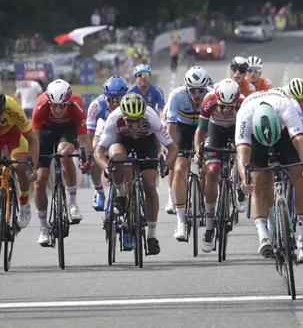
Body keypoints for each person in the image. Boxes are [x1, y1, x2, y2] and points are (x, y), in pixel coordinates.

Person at [235, 90, 303, 262]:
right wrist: (245, 178)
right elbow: (242, 155)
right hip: (257, 138)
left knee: (300, 176)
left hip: (284, 133)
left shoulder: (286, 108)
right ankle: (263, 235)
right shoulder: (244, 116)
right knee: (257, 182)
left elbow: (301, 142)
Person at [94, 93, 178, 255]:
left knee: (150, 185)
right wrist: (105, 167)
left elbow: (173, 148)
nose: (133, 125)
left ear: (143, 116)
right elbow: (99, 151)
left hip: (146, 142)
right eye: (129, 121)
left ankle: (152, 236)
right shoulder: (114, 118)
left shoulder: (152, 118)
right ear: (123, 115)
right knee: (117, 157)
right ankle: (119, 193)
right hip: (122, 140)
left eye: (138, 120)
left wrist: (167, 165)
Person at [32, 80, 92, 246]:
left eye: (63, 106)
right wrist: (33, 164)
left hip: (67, 130)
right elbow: (34, 140)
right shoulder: (40, 105)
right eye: (54, 106)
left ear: (69, 101)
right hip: (45, 132)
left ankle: (72, 204)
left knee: (65, 156)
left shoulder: (77, 105)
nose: (58, 110)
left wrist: (85, 159)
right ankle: (43, 227)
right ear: (49, 101)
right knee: (40, 180)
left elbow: (84, 141)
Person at [194, 78, 246, 252]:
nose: (224, 110)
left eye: (229, 107)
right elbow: (200, 131)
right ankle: (209, 228)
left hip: (236, 128)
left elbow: (248, 136)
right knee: (212, 170)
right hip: (215, 129)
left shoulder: (243, 103)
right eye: (221, 106)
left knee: (241, 155)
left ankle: (239, 187)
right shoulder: (209, 100)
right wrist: (198, 153)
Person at [167, 67, 212, 240]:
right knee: (179, 170)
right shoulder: (176, 96)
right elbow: (170, 127)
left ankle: (203, 203)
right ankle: (180, 221)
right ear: (186, 88)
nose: (197, 94)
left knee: (207, 169)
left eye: (201, 90)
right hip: (183, 130)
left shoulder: (211, 95)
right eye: (193, 90)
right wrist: (170, 152)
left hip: (204, 128)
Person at [85, 76, 129, 212]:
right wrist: (89, 156)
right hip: (103, 131)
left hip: (124, 133)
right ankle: (99, 192)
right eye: (110, 99)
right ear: (104, 97)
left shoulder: (131, 103)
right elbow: (90, 135)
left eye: (118, 99)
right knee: (94, 152)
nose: (115, 103)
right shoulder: (96, 106)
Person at [0, 93, 39, 229]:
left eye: (2, 112)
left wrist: (32, 168)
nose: (1, 117)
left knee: (20, 167)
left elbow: (33, 139)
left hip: (13, 135)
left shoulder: (12, 107)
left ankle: (24, 202)